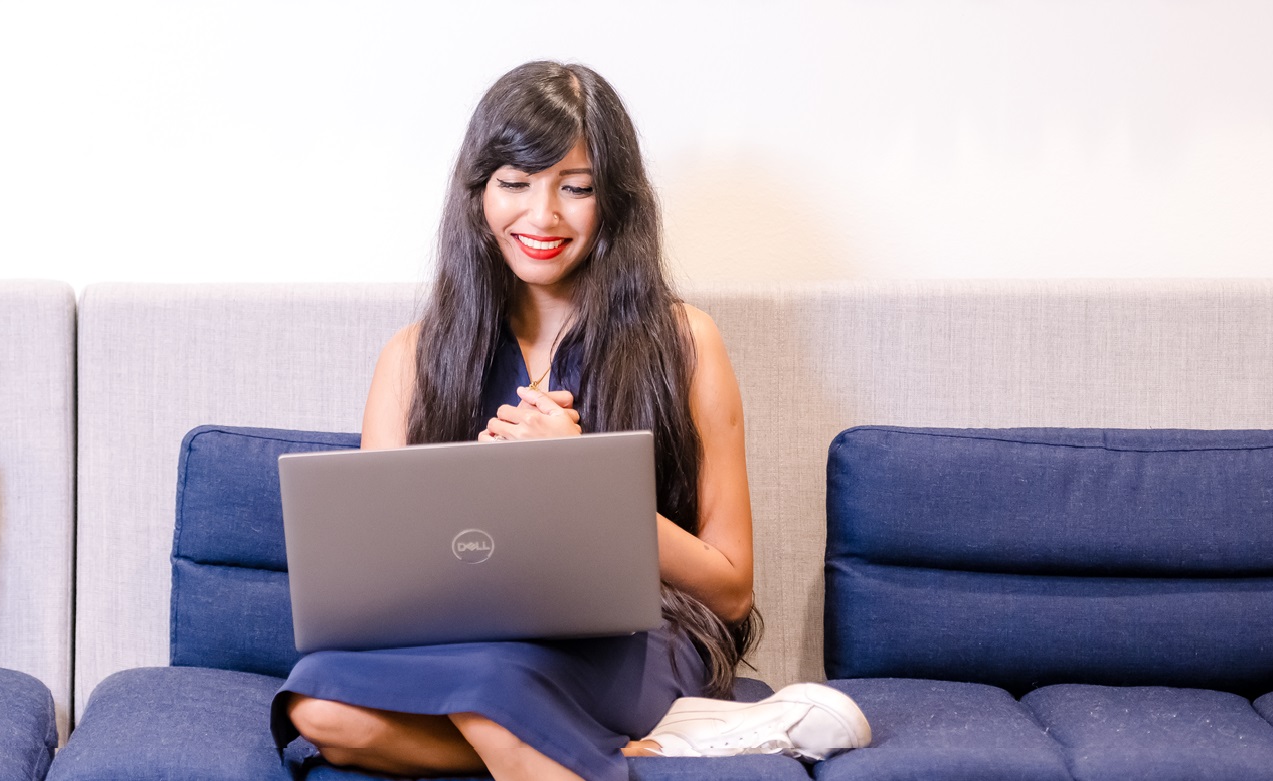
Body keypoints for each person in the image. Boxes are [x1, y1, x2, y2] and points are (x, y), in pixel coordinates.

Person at [272, 61, 868, 781]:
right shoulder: (412, 356)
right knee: (317, 706)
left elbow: (732, 585)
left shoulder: (687, 341)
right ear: (478, 195)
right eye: (514, 183)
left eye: (575, 188)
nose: (542, 216)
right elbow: (373, 580)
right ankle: (626, 747)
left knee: (491, 688)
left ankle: (532, 735)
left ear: (613, 201)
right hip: (466, 637)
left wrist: (584, 486)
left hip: (637, 636)